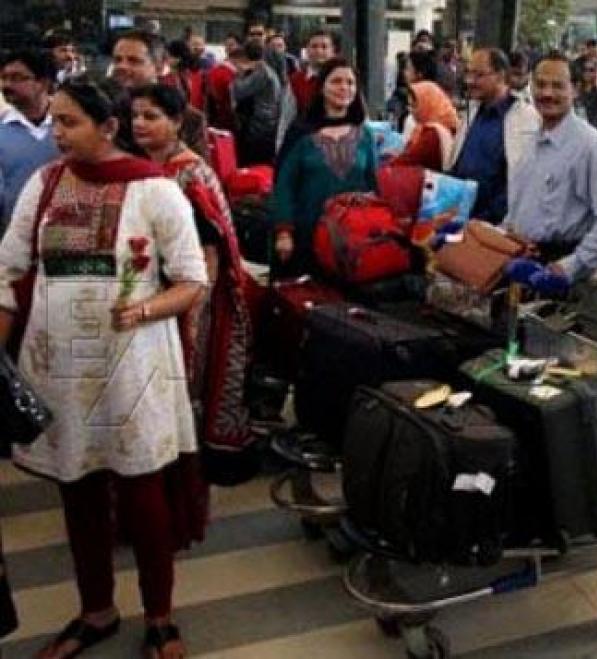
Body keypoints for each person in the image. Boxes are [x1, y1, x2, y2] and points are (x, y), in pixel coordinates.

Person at [0, 78, 208, 659]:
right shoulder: (46, 183)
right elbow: (7, 270)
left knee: (144, 496)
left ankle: (161, 616)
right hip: (61, 369)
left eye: (69, 123)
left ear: (108, 127)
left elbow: (194, 280)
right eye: (56, 122)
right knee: (78, 491)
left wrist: (142, 308)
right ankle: (96, 611)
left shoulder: (157, 191)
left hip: (133, 366)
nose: (56, 134)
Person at [128, 83, 253, 478]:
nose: (140, 124)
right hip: (150, 293)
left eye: (151, 116)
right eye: (135, 116)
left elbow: (209, 256)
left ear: (177, 122)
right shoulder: (142, 166)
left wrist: (192, 315)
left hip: (188, 300)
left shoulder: (191, 175)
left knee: (182, 383)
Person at [502, 54, 597, 283]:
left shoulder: (591, 146)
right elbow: (518, 210)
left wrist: (569, 267)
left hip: (561, 274)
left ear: (576, 89)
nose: (547, 94)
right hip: (520, 264)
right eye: (540, 85)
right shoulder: (530, 143)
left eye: (558, 86)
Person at [272, 58, 378, 277]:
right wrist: (284, 233)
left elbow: (374, 184)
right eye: (336, 81)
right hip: (306, 237)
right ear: (321, 88)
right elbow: (284, 186)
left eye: (350, 83)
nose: (344, 88)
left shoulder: (365, 135)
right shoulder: (300, 133)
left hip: (351, 240)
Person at [448, 48, 539, 224]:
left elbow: (520, 182)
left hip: (495, 225)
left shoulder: (525, 119)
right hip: (460, 217)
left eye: (479, 75)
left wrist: (487, 219)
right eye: (468, 73)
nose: (470, 81)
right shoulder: (472, 113)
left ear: (500, 75)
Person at [110, 30, 208, 159]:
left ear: (159, 66)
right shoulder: (102, 111)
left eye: (134, 61)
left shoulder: (189, 118)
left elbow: (195, 173)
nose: (122, 66)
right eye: (117, 60)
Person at [0, 49, 59, 234]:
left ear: (43, 83)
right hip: (11, 237)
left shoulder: (67, 127)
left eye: (17, 78)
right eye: (4, 77)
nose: (7, 85)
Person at [230, 40, 283, 166]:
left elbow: (239, 91)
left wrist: (239, 74)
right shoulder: (268, 70)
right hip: (268, 122)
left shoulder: (262, 72)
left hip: (261, 125)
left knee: (254, 163)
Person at [393, 80, 459, 171]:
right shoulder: (443, 126)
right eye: (410, 106)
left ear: (427, 104)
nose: (411, 111)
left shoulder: (432, 134)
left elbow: (408, 160)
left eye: (414, 106)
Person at [289, 30, 338, 115]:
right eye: (314, 46)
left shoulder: (344, 79)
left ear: (332, 51)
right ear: (307, 50)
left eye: (324, 47)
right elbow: (287, 117)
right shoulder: (295, 80)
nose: (319, 51)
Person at [574, 55, 597, 135]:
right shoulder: (578, 91)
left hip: (596, 132)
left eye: (591, 70)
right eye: (585, 70)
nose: (587, 73)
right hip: (579, 131)